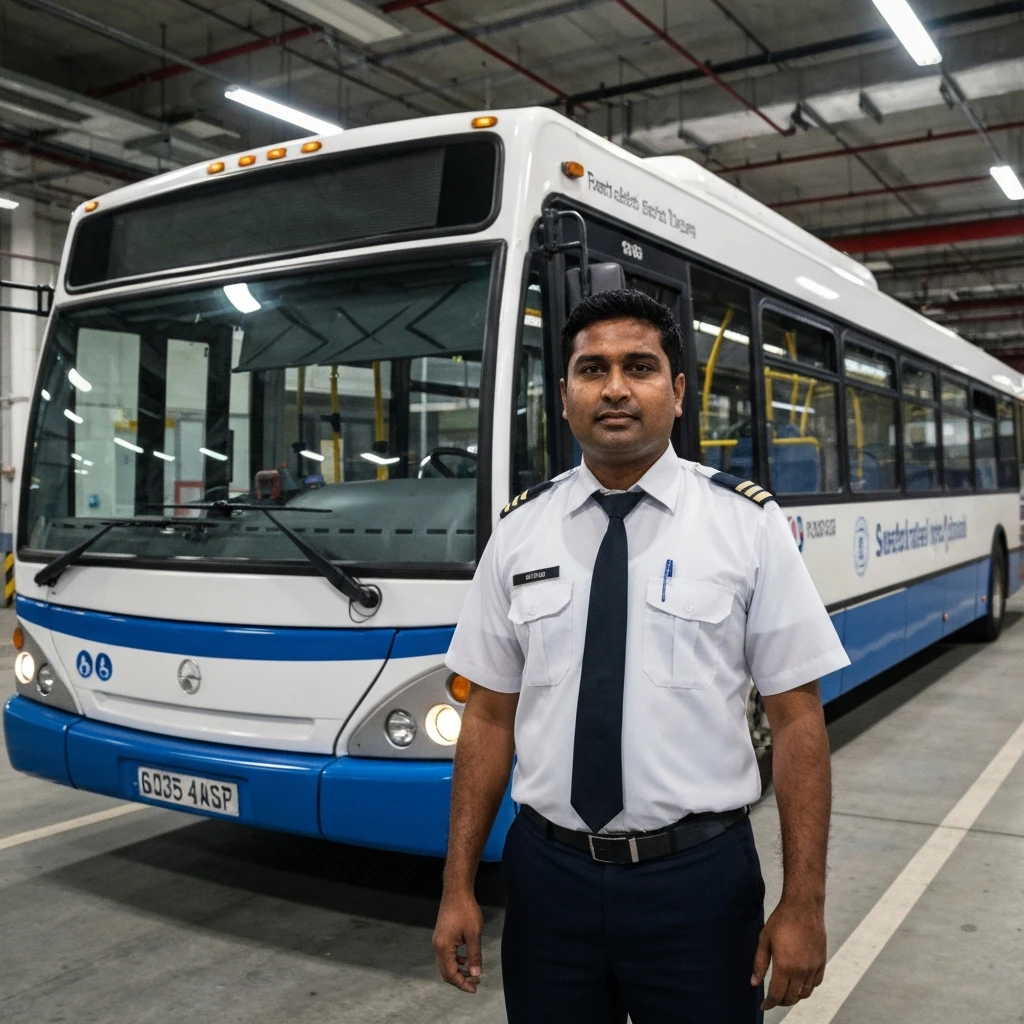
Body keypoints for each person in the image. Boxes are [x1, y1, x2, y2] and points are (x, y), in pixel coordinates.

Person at [432, 289, 850, 1023]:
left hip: (698, 883)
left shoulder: (745, 527)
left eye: (640, 367)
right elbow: (490, 715)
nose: (616, 387)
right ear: (563, 396)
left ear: (678, 391)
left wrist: (804, 902)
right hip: (547, 879)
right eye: (592, 369)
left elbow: (797, 720)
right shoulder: (520, 533)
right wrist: (458, 886)